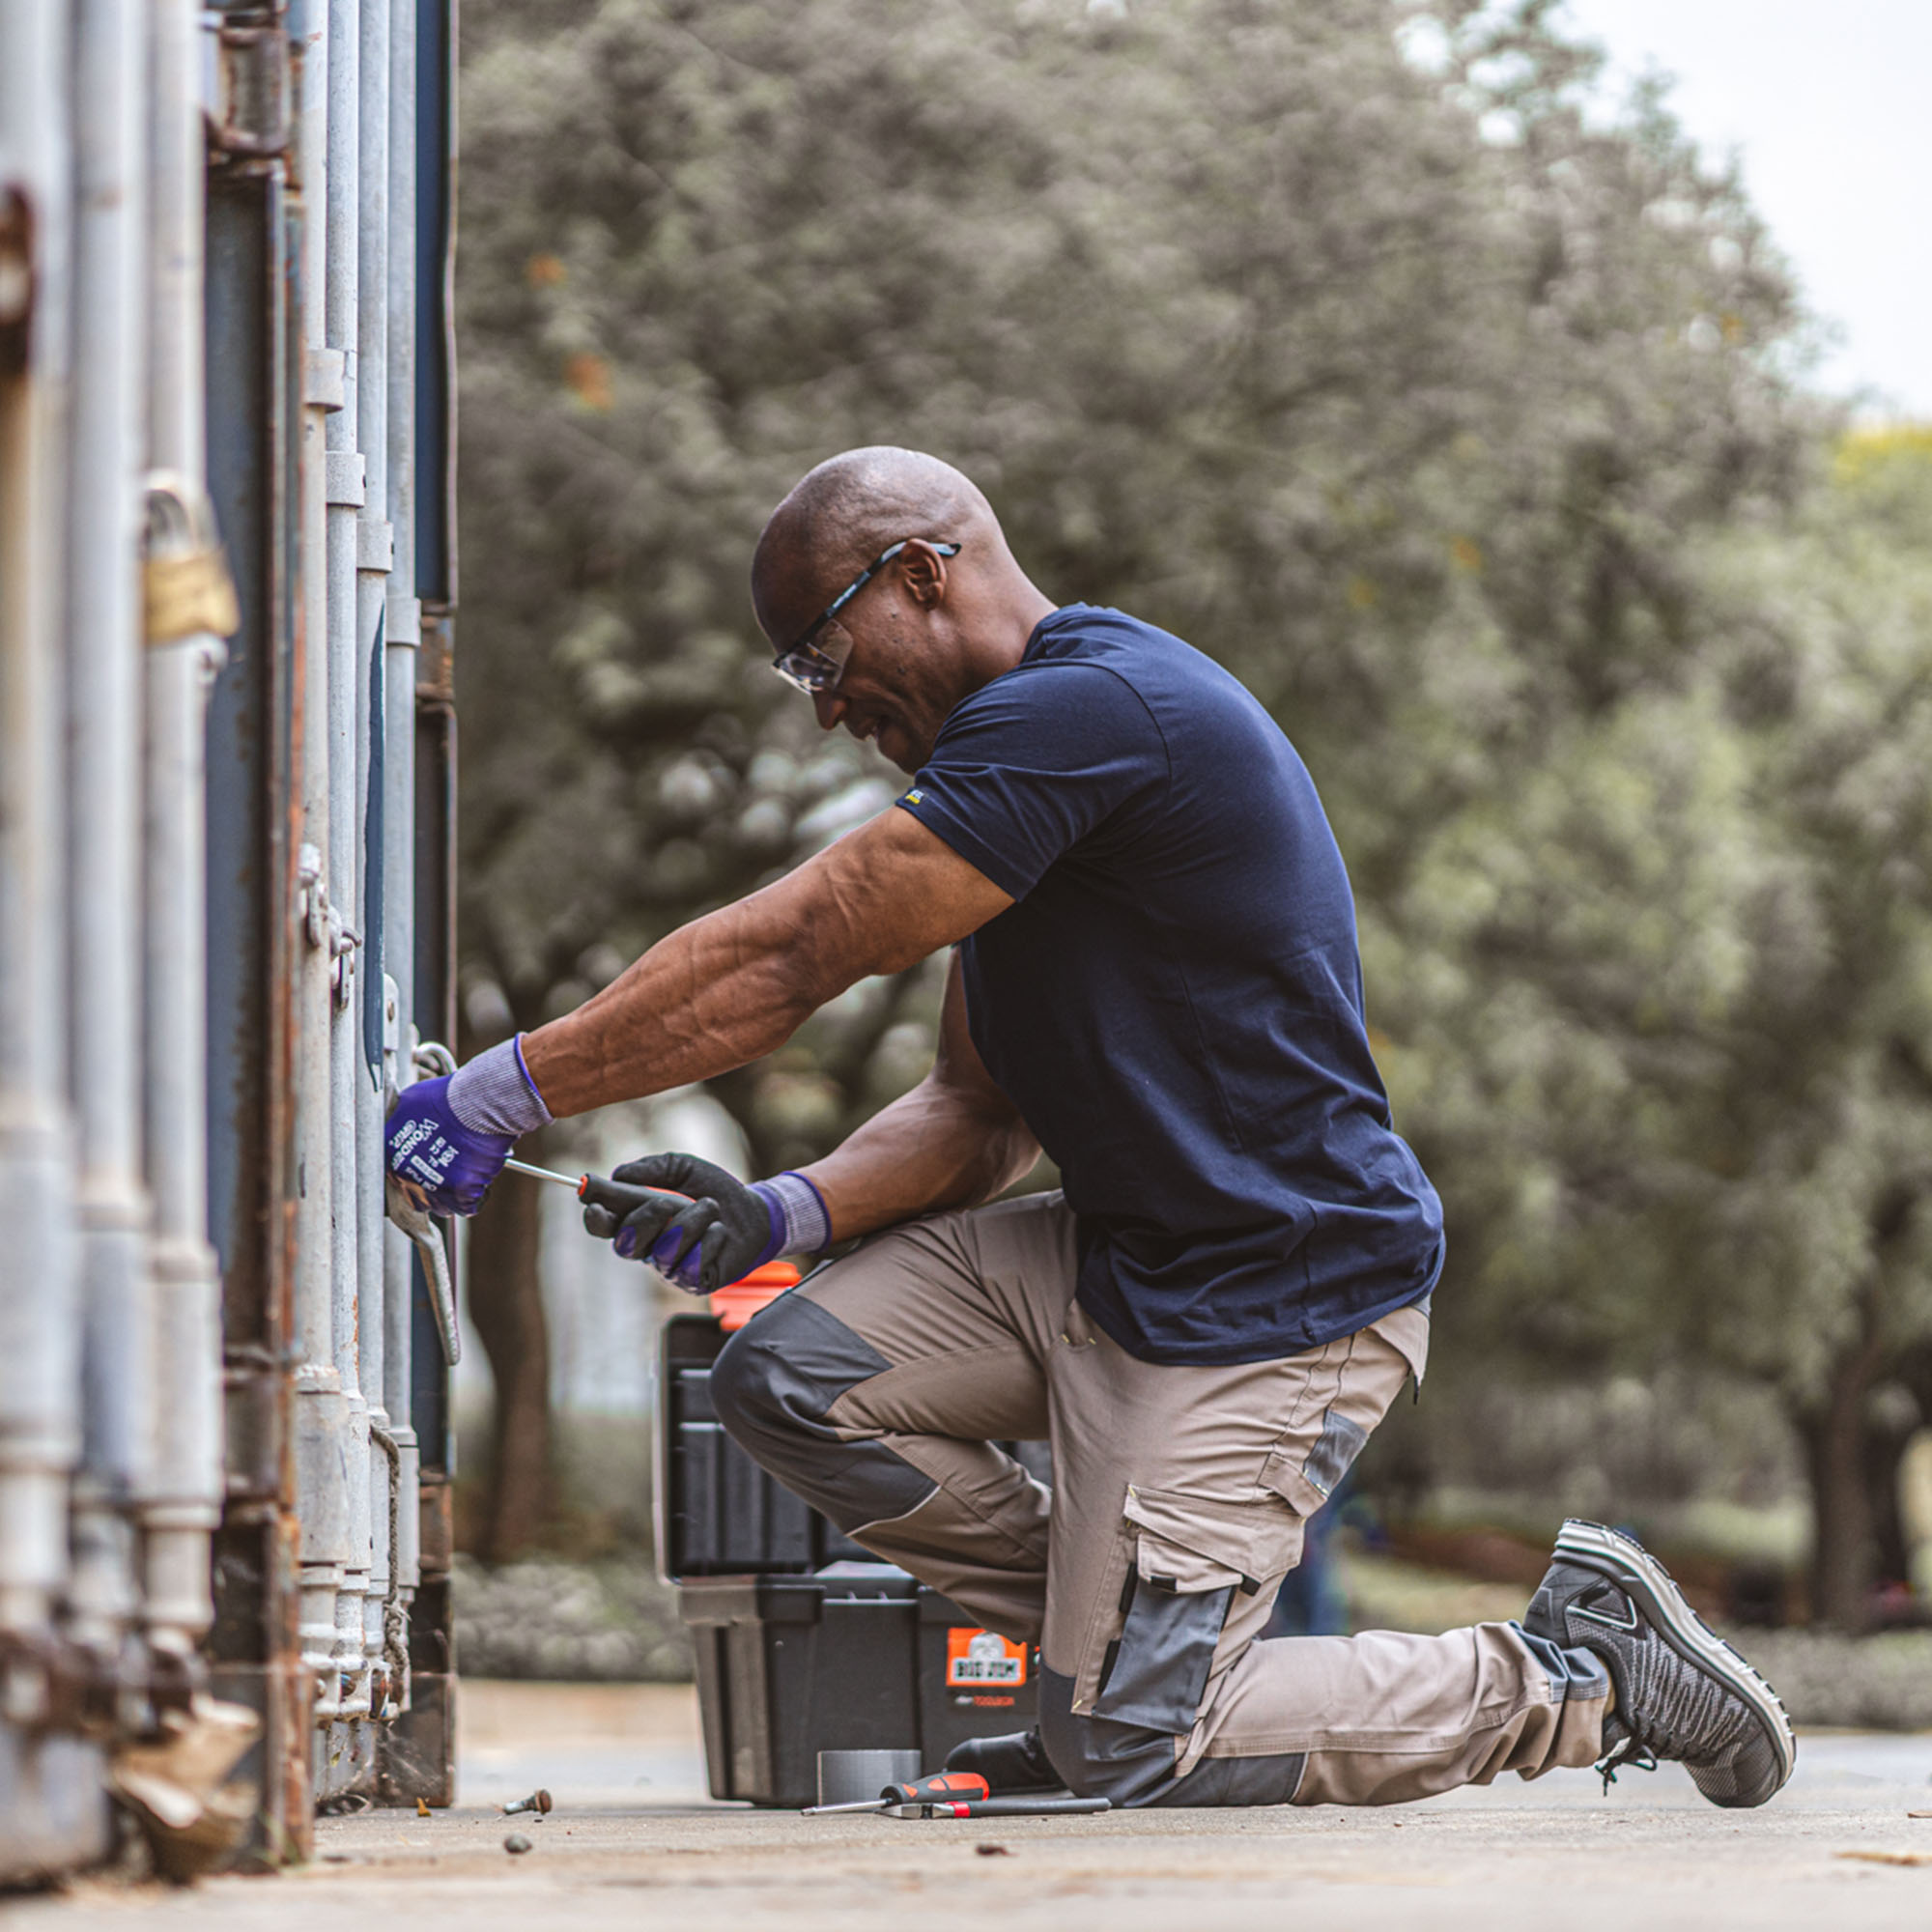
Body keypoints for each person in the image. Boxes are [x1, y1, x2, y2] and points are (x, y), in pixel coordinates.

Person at [387, 447, 1792, 1810]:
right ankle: (1114, 1663)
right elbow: (975, 1113)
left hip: (1274, 1295)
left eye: (821, 654)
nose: (824, 709)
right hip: (1116, 1261)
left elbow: (796, 952)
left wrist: (498, 1096)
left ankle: (1577, 1672)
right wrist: (781, 1215)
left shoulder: (1099, 709)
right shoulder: (1022, 791)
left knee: (1134, 1749)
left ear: (922, 573)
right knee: (786, 1377)